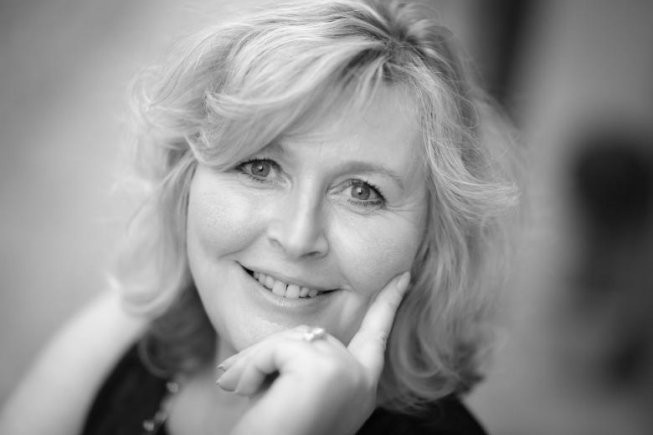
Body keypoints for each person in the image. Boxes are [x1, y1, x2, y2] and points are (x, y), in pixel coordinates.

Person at [0, 0, 517, 433]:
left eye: (362, 192)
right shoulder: (125, 331)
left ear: (432, 240)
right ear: (185, 182)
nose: (296, 237)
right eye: (260, 166)